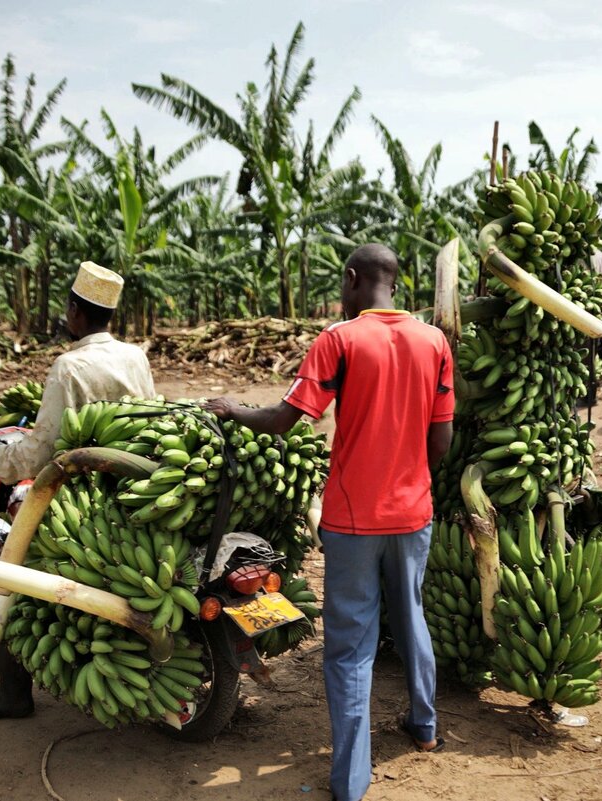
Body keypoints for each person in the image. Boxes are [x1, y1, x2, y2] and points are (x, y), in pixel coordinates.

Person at [204, 243, 454, 801]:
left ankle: (349, 780)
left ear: (351, 279)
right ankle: (425, 727)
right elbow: (442, 435)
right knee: (411, 614)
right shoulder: (434, 341)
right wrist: (413, 478)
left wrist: (231, 410)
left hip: (353, 519)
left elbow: (283, 419)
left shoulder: (339, 340)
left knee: (350, 647)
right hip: (413, 513)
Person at [0, 261, 157, 719]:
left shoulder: (70, 366)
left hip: (76, 496)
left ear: (75, 311)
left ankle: (13, 696)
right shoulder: (135, 356)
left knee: (10, 573)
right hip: (135, 488)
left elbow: (41, 448)